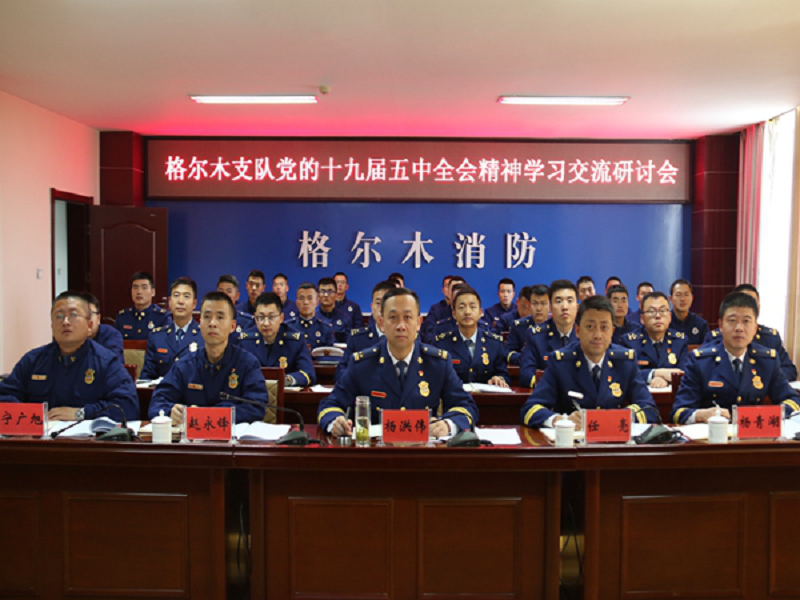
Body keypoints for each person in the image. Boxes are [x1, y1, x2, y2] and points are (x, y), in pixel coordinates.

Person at [318, 287, 479, 438]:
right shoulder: (362, 365)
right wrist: (335, 422)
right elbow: (330, 405)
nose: (401, 326)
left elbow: (466, 406)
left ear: (418, 323)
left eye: (407, 317)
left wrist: (448, 425)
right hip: (376, 452)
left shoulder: (438, 363)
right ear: (382, 323)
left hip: (423, 452)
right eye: (393, 318)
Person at [520, 295, 657, 428]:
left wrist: (624, 416)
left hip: (613, 439)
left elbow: (649, 408)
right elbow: (530, 409)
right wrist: (561, 420)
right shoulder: (561, 362)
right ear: (578, 331)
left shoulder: (625, 362)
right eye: (590, 327)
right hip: (573, 440)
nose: (597, 335)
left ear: (612, 332)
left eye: (604, 327)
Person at [0, 291, 139, 421]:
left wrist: (82, 413)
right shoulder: (33, 360)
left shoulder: (106, 361)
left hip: (86, 438)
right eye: (59, 316)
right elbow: (5, 397)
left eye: (73, 315)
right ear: (52, 325)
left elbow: (128, 407)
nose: (65, 322)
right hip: (41, 436)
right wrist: (30, 416)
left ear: (89, 325)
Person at [671, 291, 800, 424]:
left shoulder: (767, 361)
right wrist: (700, 415)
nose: (739, 328)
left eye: (746, 321)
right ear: (721, 325)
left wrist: (771, 415)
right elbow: (678, 412)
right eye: (732, 321)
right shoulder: (700, 362)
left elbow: (793, 400)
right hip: (714, 434)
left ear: (755, 328)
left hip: (753, 433)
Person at [148, 292, 267, 424]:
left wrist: (211, 414)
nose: (212, 323)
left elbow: (257, 408)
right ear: (200, 323)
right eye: (207, 317)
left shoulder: (247, 364)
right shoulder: (185, 365)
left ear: (232, 326)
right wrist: (170, 411)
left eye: (220, 317)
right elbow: (157, 402)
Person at [703, 283, 797, 381]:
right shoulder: (715, 338)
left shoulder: (770, 338)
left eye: (751, 303)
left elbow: (789, 370)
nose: (739, 328)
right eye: (732, 320)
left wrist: (761, 378)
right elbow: (703, 370)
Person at [434, 288, 510, 387]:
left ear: (480, 313)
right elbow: (436, 377)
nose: (467, 312)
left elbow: (504, 375)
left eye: (472, 307)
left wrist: (499, 379)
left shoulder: (494, 344)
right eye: (462, 307)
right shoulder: (442, 344)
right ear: (454, 314)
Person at [239, 292, 316, 387]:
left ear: (281, 318)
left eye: (271, 317)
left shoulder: (295, 340)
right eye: (261, 317)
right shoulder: (246, 340)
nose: (266, 323)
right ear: (255, 318)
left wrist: (288, 380)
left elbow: (308, 373)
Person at [519, 280, 579, 387]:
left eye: (570, 301)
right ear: (550, 307)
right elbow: (526, 375)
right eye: (559, 301)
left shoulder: (586, 335)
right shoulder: (535, 336)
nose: (565, 307)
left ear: (577, 306)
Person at [141, 277, 203, 380]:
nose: (180, 301)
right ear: (170, 302)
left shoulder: (204, 336)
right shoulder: (157, 337)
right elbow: (146, 377)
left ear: (194, 303)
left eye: (186, 296)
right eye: (176, 295)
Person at [622, 291, 688, 387]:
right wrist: (654, 374)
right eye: (651, 311)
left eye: (662, 311)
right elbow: (626, 373)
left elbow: (685, 373)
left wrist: (666, 380)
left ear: (669, 317)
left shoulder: (680, 341)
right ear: (642, 319)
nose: (657, 316)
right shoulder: (629, 342)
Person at [334, 280, 395, 383]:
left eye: (387, 303)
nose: (382, 309)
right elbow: (340, 373)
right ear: (372, 307)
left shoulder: (407, 338)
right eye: (378, 303)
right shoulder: (357, 339)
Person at [114, 271, 170, 340]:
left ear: (153, 292)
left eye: (144, 288)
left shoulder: (162, 317)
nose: (139, 292)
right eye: (135, 287)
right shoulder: (122, 317)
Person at [504, 284, 550, 365]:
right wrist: (525, 358)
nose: (539, 308)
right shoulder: (519, 327)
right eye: (535, 303)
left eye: (543, 303)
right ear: (529, 305)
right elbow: (508, 352)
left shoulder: (558, 326)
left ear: (550, 306)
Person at [81, 292, 124, 364]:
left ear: (98, 318)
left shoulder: (111, 334)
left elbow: (113, 363)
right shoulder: (68, 335)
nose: (85, 319)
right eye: (79, 315)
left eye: (89, 314)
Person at [669, 279, 709, 345]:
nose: (682, 299)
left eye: (686, 294)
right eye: (678, 295)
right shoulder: (664, 323)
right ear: (671, 299)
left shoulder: (701, 324)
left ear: (692, 298)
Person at [295, 282, 334, 349]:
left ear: (317, 302)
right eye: (301, 298)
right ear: (297, 302)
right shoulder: (287, 328)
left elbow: (330, 354)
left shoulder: (326, 329)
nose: (305, 302)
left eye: (310, 298)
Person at [316, 277, 353, 342]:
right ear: (318, 295)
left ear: (336, 295)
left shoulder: (346, 320)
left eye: (330, 291)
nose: (326, 295)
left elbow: (350, 343)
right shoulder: (313, 319)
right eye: (322, 291)